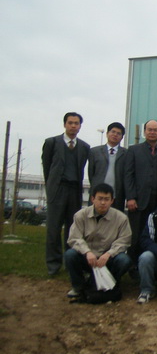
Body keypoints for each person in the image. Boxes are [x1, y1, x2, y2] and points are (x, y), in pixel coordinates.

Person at [42, 112, 91, 276]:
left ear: (80, 126)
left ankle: (71, 263)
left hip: (74, 190)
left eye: (76, 123)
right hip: (57, 189)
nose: (73, 126)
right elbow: (47, 168)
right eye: (70, 123)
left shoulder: (84, 147)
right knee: (53, 229)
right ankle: (53, 265)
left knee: (73, 230)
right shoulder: (51, 143)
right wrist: (51, 187)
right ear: (65, 124)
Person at [64, 183, 132, 298]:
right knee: (70, 255)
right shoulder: (80, 215)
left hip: (108, 258)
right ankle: (78, 287)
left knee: (124, 260)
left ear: (112, 201)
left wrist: (109, 254)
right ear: (92, 199)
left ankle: (109, 285)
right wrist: (87, 252)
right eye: (100, 199)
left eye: (107, 199)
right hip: (88, 257)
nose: (103, 203)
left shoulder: (121, 218)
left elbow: (124, 241)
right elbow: (74, 238)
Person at [123, 119, 157, 265]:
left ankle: (153, 265)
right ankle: (132, 266)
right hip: (138, 201)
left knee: (156, 234)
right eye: (150, 129)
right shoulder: (133, 150)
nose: (152, 132)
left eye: (156, 130)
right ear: (144, 132)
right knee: (136, 234)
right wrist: (130, 197)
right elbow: (128, 175)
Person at [88, 122, 127, 212]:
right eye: (113, 132)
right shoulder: (94, 152)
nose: (115, 135)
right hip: (97, 195)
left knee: (115, 219)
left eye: (118, 133)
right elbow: (91, 173)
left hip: (117, 196)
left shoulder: (126, 153)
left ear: (122, 137)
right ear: (107, 134)